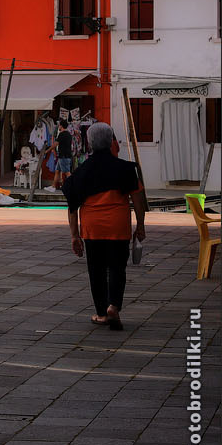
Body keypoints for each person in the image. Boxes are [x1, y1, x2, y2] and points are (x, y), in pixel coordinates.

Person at [63, 122, 147, 330]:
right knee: (118, 268)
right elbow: (138, 200)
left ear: (89, 144)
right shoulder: (126, 168)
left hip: (93, 228)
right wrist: (141, 225)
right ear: (111, 142)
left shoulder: (81, 172)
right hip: (118, 227)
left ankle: (101, 313)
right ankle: (114, 306)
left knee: (96, 270)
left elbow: (72, 207)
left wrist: (75, 236)